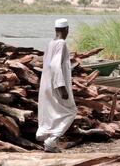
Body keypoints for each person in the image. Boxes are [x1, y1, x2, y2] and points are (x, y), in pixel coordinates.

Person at [36, 18, 77, 153]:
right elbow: (54, 65)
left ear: (55, 29)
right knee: (70, 111)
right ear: (66, 30)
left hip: (46, 84)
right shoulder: (61, 43)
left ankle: (48, 141)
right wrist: (61, 87)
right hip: (56, 85)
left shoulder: (50, 43)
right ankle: (52, 140)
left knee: (52, 112)